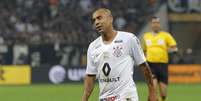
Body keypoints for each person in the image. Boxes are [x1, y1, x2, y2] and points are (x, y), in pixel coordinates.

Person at [82, 8, 157, 101]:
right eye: (94, 20)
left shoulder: (129, 39)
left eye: (99, 18)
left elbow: (144, 66)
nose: (96, 22)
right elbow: (90, 76)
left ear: (110, 19)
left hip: (126, 96)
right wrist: (84, 98)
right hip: (104, 98)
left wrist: (152, 91)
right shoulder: (93, 47)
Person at [142, 16, 178, 101]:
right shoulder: (146, 36)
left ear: (159, 24)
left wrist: (169, 50)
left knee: (163, 93)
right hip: (151, 65)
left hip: (162, 65)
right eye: (154, 22)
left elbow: (174, 48)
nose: (156, 24)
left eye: (157, 23)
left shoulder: (166, 35)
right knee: (153, 89)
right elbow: (143, 50)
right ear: (151, 24)